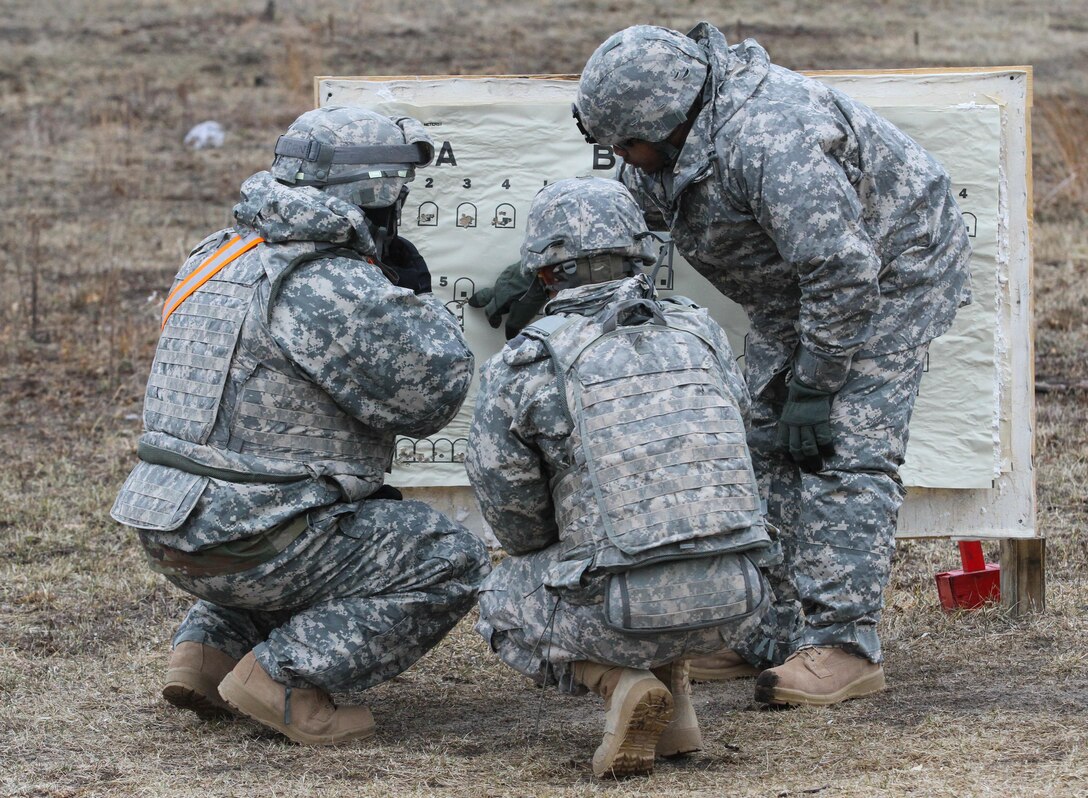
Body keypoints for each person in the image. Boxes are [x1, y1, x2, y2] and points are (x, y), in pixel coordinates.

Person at [573, 23, 973, 707]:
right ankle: (767, 630)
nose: (621, 157)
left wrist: (816, 383)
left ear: (668, 120)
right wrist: (571, 265)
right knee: (763, 445)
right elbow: (638, 213)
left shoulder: (767, 136)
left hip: (888, 274)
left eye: (625, 143)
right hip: (796, 292)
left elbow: (845, 270)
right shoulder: (670, 145)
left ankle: (845, 646)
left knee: (842, 450)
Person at [110, 106, 491, 744]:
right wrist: (412, 301)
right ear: (374, 189)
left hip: (167, 523)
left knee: (305, 515)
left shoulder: (217, 253)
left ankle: (207, 652)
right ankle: (283, 678)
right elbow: (431, 400)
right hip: (248, 538)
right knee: (449, 558)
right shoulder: (325, 279)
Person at [466, 177, 776, 778]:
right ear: (642, 255)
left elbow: (517, 518)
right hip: (740, 599)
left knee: (501, 601)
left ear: (544, 272)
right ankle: (678, 711)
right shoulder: (703, 332)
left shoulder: (525, 362)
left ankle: (622, 684)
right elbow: (741, 440)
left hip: (619, 606)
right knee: (662, 536)